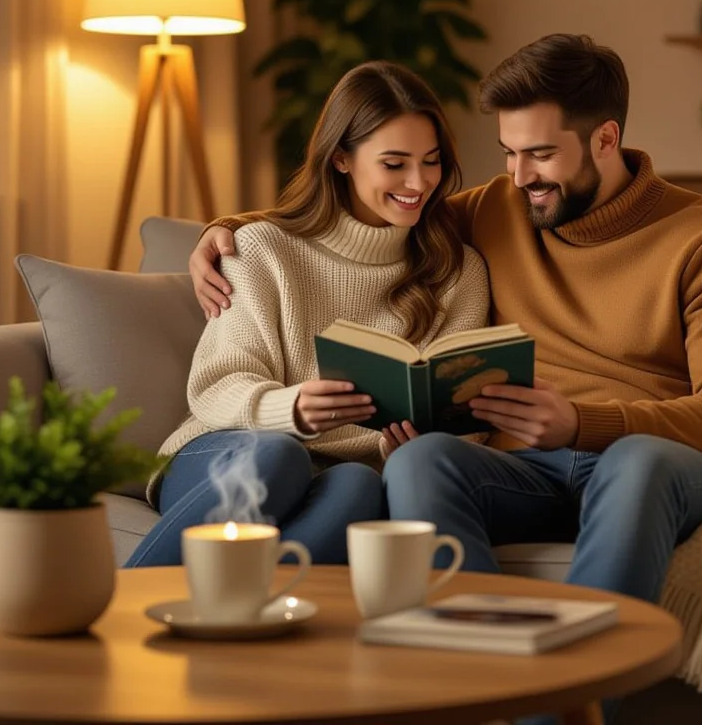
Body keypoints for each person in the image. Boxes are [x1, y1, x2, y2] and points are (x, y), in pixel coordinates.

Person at [188, 35, 702, 607]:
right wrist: (225, 230)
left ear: (606, 138)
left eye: (541, 154)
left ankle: (590, 670)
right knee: (421, 460)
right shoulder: (503, 207)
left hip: (658, 463)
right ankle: (480, 648)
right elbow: (366, 209)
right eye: (509, 153)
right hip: (523, 468)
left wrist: (584, 423)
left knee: (637, 461)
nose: (520, 176)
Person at [125, 61, 491, 569]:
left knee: (360, 486)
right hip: (227, 453)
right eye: (394, 163)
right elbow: (217, 384)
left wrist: (411, 447)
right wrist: (290, 409)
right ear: (341, 158)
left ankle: (244, 612)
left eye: (431, 161)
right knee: (280, 455)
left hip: (343, 475)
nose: (418, 181)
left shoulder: (458, 270)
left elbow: (463, 420)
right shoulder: (262, 249)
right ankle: (127, 597)